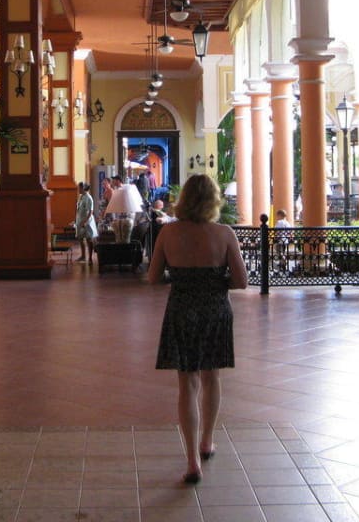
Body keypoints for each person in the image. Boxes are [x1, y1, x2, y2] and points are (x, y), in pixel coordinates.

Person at [149, 174, 248, 485]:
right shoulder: (224, 233)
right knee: (211, 376)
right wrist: (215, 282)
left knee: (187, 384)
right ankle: (207, 441)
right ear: (213, 201)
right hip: (215, 310)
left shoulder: (168, 233)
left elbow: (153, 278)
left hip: (181, 310)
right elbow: (241, 281)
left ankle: (192, 459)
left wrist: (180, 279)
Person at [75, 182, 98, 263]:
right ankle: (83, 256)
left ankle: (90, 258)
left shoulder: (89, 198)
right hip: (80, 221)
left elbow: (90, 211)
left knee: (89, 239)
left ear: (83, 188)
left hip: (86, 221)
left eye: (79, 188)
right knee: (80, 238)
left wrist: (85, 222)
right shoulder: (81, 197)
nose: (78, 189)